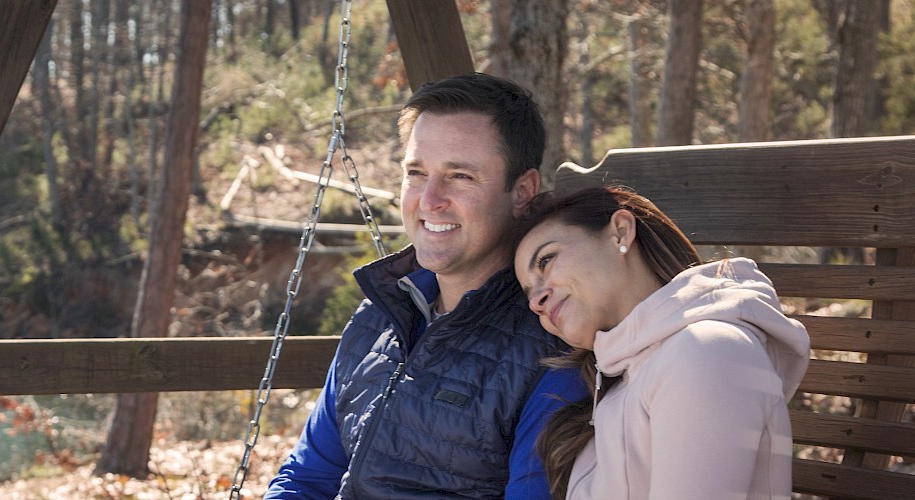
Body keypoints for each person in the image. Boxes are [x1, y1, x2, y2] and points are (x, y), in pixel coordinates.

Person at [264, 73, 581, 499]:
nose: (428, 200)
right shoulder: (379, 313)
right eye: (416, 173)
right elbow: (307, 477)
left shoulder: (552, 344)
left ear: (522, 190)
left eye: (460, 177)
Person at [511, 186, 811, 499]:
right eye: (529, 290)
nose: (537, 301)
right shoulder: (621, 379)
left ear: (620, 233)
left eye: (546, 260)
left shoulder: (706, 351)